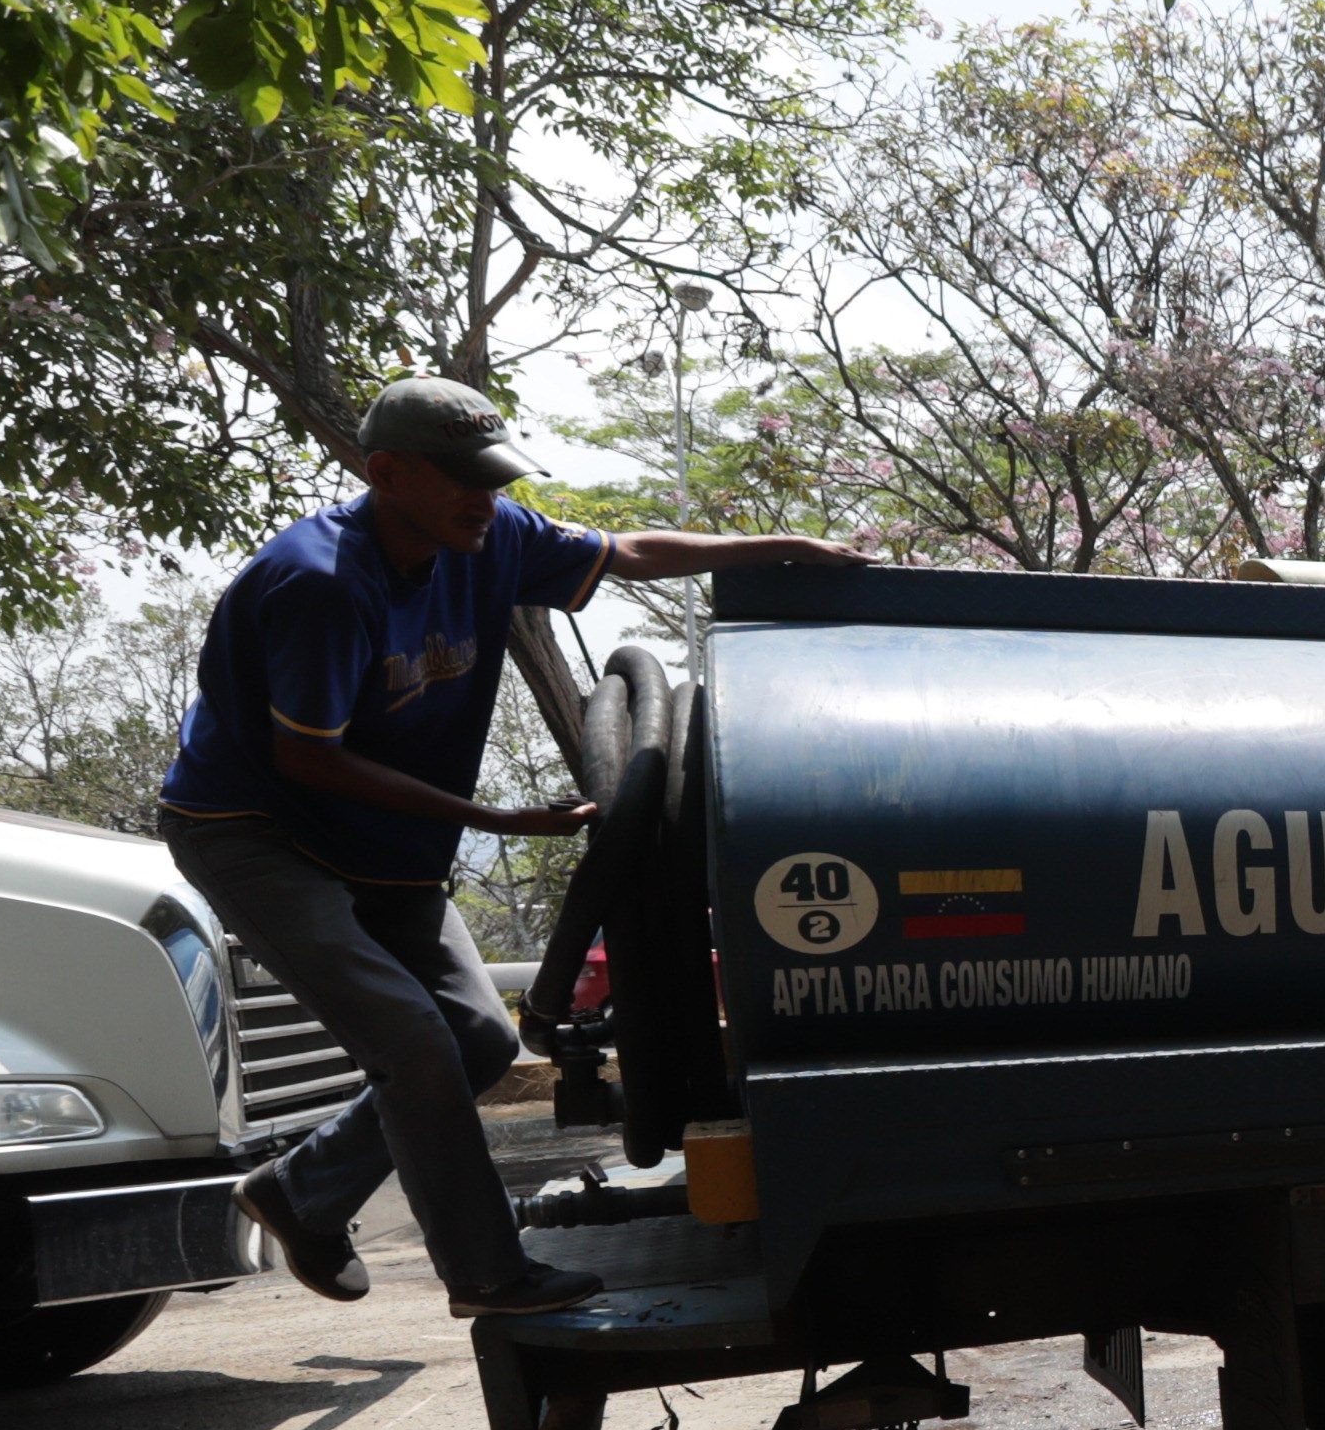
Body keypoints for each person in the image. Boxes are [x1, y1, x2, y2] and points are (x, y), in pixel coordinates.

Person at [162, 377, 852, 1333]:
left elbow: (632, 552)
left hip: (386, 843)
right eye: (462, 484)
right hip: (258, 835)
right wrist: (490, 817)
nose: (484, 503)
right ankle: (486, 1272)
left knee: (482, 1040)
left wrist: (778, 548)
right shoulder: (320, 582)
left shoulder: (492, 540)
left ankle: (302, 1193)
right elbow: (306, 756)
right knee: (412, 1044)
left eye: (494, 482)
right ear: (386, 474)